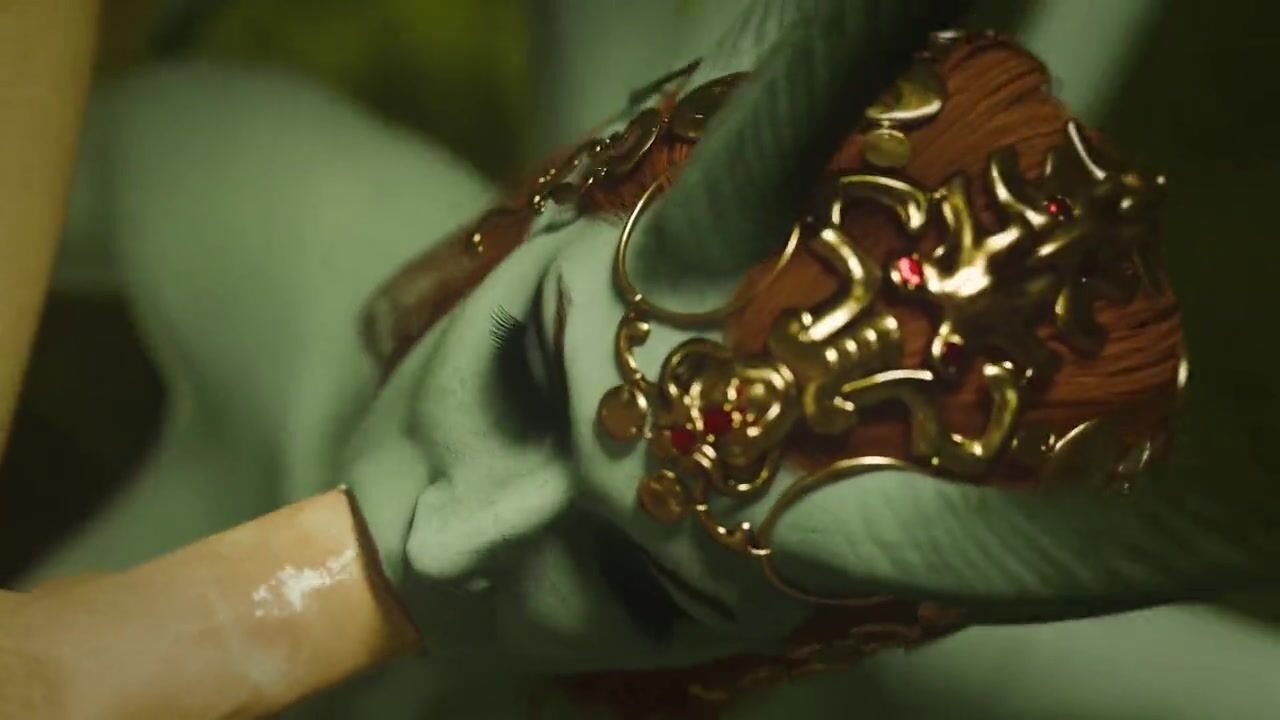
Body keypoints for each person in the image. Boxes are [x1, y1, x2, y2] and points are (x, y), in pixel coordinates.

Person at [4, 1, 1279, 718]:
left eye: (636, 586)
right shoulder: (240, 199)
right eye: (520, 375)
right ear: (565, 198)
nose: (442, 539)